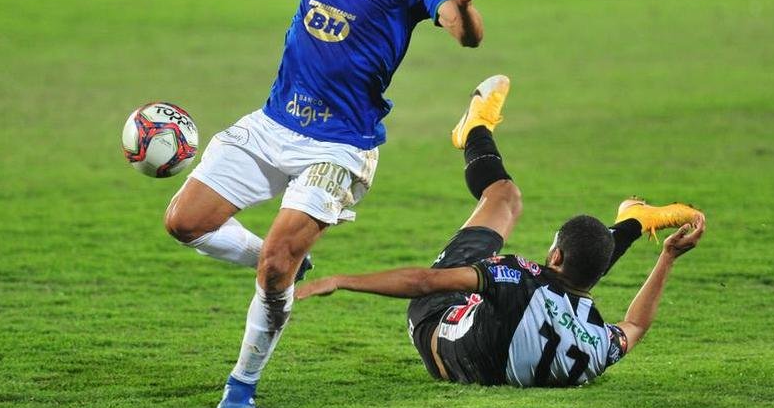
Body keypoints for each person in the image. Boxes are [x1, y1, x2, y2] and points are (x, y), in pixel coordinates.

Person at [164, 0, 497, 408]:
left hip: (340, 147)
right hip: (273, 124)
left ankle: (241, 386)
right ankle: (284, 260)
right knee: (183, 222)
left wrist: (461, 2)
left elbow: (465, 36)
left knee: (275, 265)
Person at [295, 75, 706, 388]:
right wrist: (666, 258)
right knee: (581, 259)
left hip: (435, 323)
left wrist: (342, 280)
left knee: (506, 198)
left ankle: (474, 130)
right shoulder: (596, 345)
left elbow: (424, 283)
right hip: (485, 346)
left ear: (555, 256)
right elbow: (634, 327)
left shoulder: (516, 279)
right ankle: (635, 220)